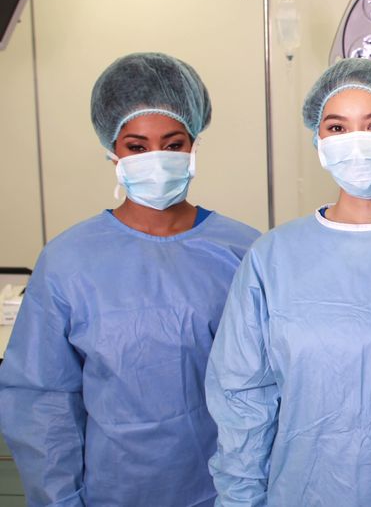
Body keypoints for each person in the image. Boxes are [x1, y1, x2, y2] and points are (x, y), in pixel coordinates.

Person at [0, 52, 260, 507]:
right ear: (111, 149)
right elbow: (43, 403)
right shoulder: (68, 262)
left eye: (173, 143)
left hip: (224, 493)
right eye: (137, 147)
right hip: (111, 493)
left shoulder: (244, 252)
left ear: (194, 144)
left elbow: (265, 393)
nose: (155, 159)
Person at [205, 58, 371, 506]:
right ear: (318, 140)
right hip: (302, 489)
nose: (357, 142)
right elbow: (244, 399)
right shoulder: (274, 257)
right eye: (337, 128)